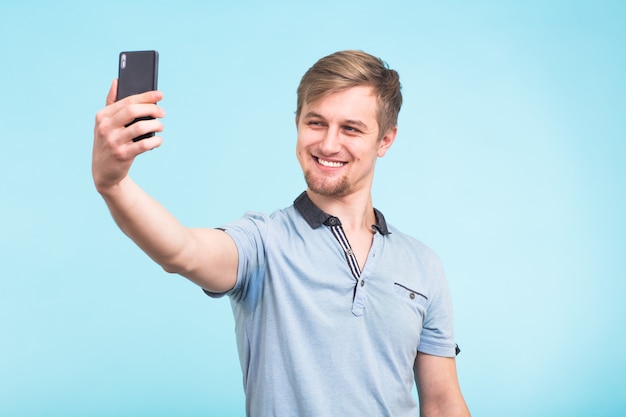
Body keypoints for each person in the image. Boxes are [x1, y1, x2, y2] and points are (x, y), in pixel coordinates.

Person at [92, 50, 470, 417]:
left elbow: (442, 404)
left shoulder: (424, 265)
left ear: (385, 140)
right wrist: (114, 185)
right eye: (315, 122)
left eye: (351, 129)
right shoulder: (262, 242)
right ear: (297, 124)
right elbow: (183, 252)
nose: (328, 144)